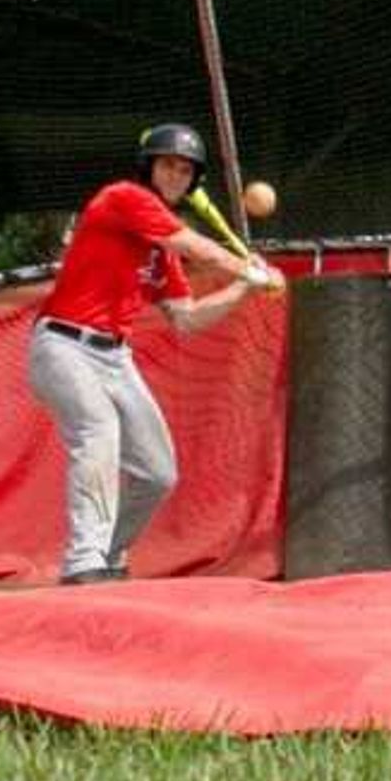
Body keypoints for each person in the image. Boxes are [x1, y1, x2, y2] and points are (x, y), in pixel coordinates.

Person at [27, 123, 280, 585]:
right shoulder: (124, 197)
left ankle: (110, 554)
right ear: (149, 167)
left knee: (158, 472)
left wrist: (244, 288)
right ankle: (83, 559)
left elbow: (187, 318)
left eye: (185, 170)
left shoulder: (160, 254)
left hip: (114, 358)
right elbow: (192, 244)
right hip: (64, 345)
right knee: (98, 432)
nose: (176, 175)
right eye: (167, 164)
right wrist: (246, 266)